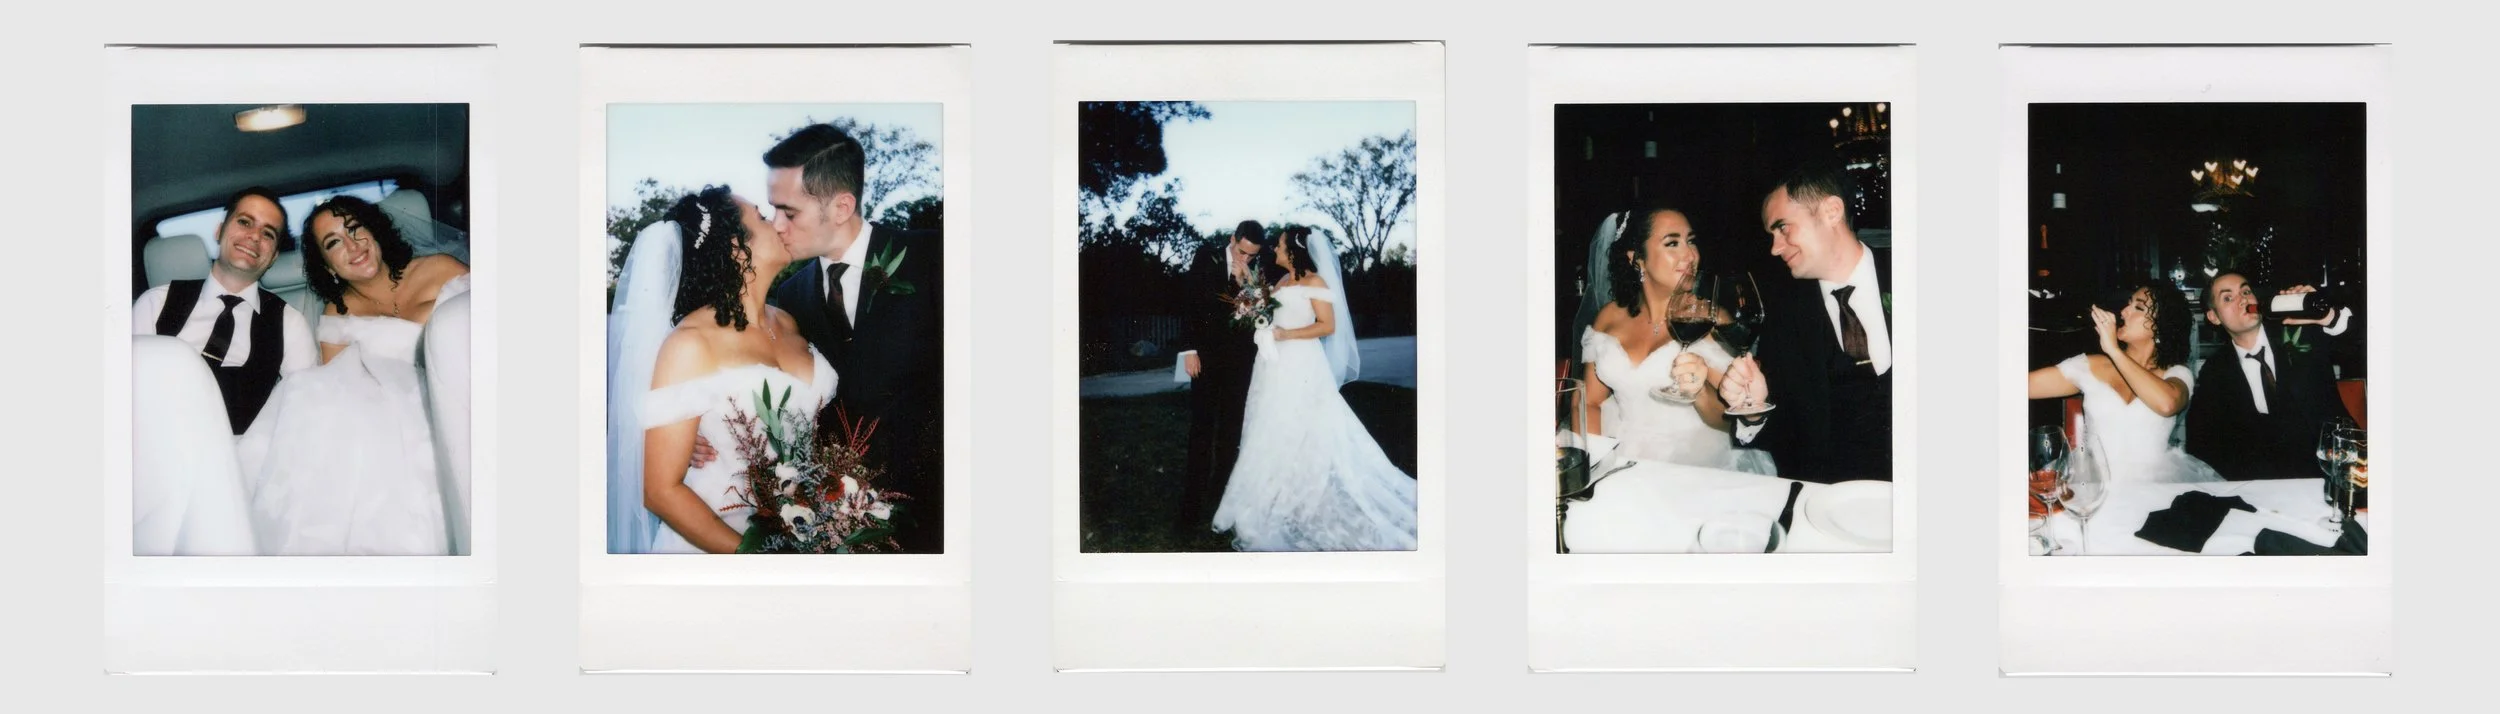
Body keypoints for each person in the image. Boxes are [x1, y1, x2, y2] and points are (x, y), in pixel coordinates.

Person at [235, 194, 473, 555]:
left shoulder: (441, 268)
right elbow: (335, 392)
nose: (352, 245)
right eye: (333, 243)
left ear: (374, 231)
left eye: (355, 229)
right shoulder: (337, 314)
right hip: (395, 430)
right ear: (327, 265)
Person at [759, 123, 947, 554]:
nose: (777, 225)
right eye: (773, 211)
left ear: (842, 207)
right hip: (843, 527)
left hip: (941, 519)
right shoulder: (791, 295)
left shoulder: (934, 258)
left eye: (789, 212)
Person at [634, 187, 835, 554]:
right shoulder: (691, 343)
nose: (779, 223)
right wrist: (760, 562)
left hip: (802, 533)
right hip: (715, 546)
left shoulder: (788, 321)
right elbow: (659, 491)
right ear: (735, 247)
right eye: (762, 217)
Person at [1211, 227, 1417, 551]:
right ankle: (1266, 496)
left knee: (1299, 428)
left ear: (1294, 251)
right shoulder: (1281, 281)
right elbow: (1263, 311)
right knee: (1268, 426)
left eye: (1280, 245)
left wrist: (1286, 335)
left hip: (1300, 364)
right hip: (1271, 365)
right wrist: (1244, 281)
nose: (1275, 250)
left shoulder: (1315, 282)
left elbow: (1327, 326)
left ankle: (1298, 496)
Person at [1717, 164, 1893, 483]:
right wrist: (1755, 410)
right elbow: (1790, 439)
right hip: (1826, 499)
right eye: (1771, 235)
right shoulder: (1783, 317)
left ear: (1831, 211)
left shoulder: (1914, 273)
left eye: (1783, 227)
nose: (1775, 248)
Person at [1578, 204, 1775, 473]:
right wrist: (1591, 464)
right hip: (1622, 453)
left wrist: (1700, 391)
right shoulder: (1608, 318)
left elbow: (1730, 421)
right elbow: (1589, 402)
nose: (1690, 255)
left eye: (1691, 241)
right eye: (1672, 243)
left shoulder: (1712, 319)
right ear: (1637, 259)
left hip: (1697, 464)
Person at [131, 187, 318, 434]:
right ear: (219, 231)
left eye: (268, 233)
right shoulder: (155, 303)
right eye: (244, 222)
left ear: (273, 256)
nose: (254, 236)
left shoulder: (289, 324)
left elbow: (305, 411)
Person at [2026, 280, 2222, 484]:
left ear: (2161, 325)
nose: (2124, 311)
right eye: (2128, 304)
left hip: (2155, 485)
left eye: (2138, 307)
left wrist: (2114, 350)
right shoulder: (2093, 365)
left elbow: (2167, 404)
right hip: (2094, 483)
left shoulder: (2176, 373)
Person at [2185, 272, 2355, 481]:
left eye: (2245, 291)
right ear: (2214, 317)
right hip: (2264, 485)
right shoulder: (2215, 370)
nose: (2243, 300)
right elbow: (2200, 442)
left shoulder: (2300, 328)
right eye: (2228, 298)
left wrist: (2328, 316)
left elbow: (2360, 341)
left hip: (2335, 468)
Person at [1172, 220, 1272, 533]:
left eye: (1252, 255)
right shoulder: (1207, 256)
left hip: (1240, 362)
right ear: (1233, 239)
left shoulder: (1257, 270)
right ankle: (1191, 505)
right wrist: (1189, 350)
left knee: (1231, 431)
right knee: (1201, 428)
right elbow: (1189, 303)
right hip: (1205, 357)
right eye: (1242, 252)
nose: (1246, 258)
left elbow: (1258, 317)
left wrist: (1246, 284)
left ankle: (1221, 496)